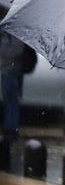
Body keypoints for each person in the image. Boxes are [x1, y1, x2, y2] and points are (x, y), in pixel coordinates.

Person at [0, 11, 37, 140]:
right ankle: (10, 127)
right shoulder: (12, 29)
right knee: (11, 99)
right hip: (11, 69)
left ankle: (10, 128)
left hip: (11, 70)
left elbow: (14, 51)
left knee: (11, 99)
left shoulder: (12, 31)